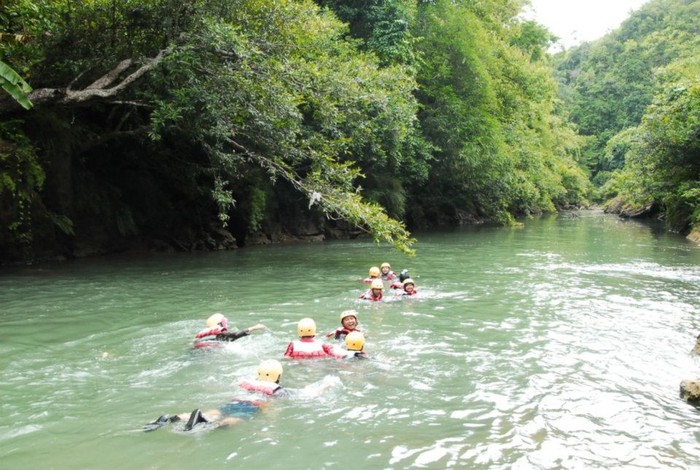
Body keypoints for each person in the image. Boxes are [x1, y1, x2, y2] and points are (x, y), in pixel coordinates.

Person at [144, 359, 337, 432]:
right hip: (252, 407)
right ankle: (209, 425)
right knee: (236, 419)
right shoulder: (279, 390)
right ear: (278, 375)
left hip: (234, 401)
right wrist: (326, 385)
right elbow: (308, 394)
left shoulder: (249, 382)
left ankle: (171, 419)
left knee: (215, 412)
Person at [193, 313, 266, 348]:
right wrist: (255, 327)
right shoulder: (218, 330)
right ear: (220, 323)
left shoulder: (208, 333)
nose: (227, 324)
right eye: (225, 322)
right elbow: (234, 335)